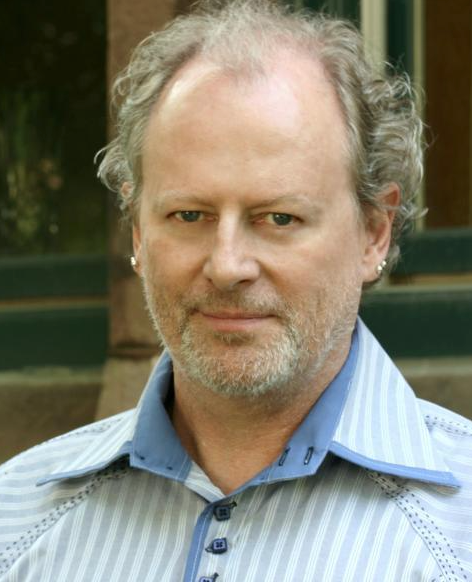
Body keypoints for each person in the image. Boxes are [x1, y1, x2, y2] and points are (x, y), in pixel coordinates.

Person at [1, 1, 471, 580]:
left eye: (278, 218)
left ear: (374, 233)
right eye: (189, 214)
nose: (227, 266)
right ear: (139, 234)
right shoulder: (16, 522)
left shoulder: (457, 531)